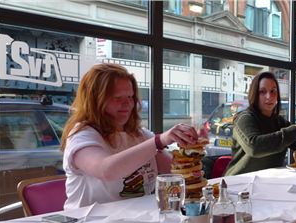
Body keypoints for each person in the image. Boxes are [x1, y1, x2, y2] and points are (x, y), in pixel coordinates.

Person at [60, 63, 198, 210]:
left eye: (130, 97)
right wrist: (160, 140)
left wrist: (189, 157)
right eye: (117, 97)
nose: (127, 104)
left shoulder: (140, 135)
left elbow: (173, 171)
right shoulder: (82, 136)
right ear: (95, 101)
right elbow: (106, 170)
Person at [225, 71, 296, 176]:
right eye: (262, 92)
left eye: (273, 91)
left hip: (270, 182)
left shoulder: (280, 122)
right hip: (239, 183)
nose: (269, 96)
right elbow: (254, 147)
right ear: (254, 94)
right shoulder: (244, 118)